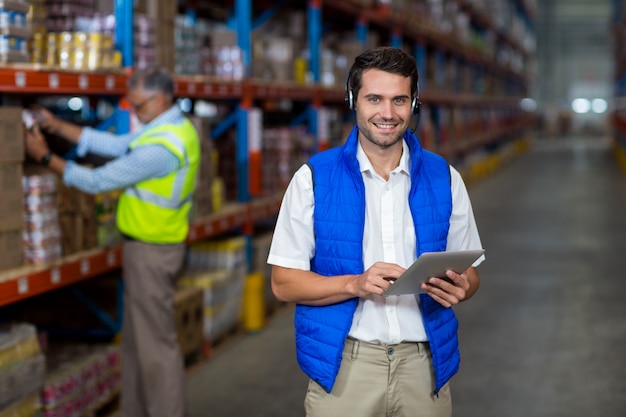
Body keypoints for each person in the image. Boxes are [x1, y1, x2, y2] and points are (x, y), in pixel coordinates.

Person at [267, 46, 484, 417]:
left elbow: (471, 273)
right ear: (353, 101)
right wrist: (354, 284)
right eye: (374, 99)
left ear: (414, 102)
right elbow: (283, 283)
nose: (387, 113)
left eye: (399, 99)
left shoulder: (445, 178)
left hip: (424, 367)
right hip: (345, 368)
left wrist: (464, 286)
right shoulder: (313, 180)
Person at [24, 66, 200, 417]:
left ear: (161, 98)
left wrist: (45, 157)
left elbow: (98, 181)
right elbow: (118, 144)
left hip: (154, 251)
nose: (134, 112)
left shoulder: (163, 148)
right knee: (137, 346)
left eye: (139, 106)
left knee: (157, 351)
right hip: (146, 249)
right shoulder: (166, 127)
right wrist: (57, 125)